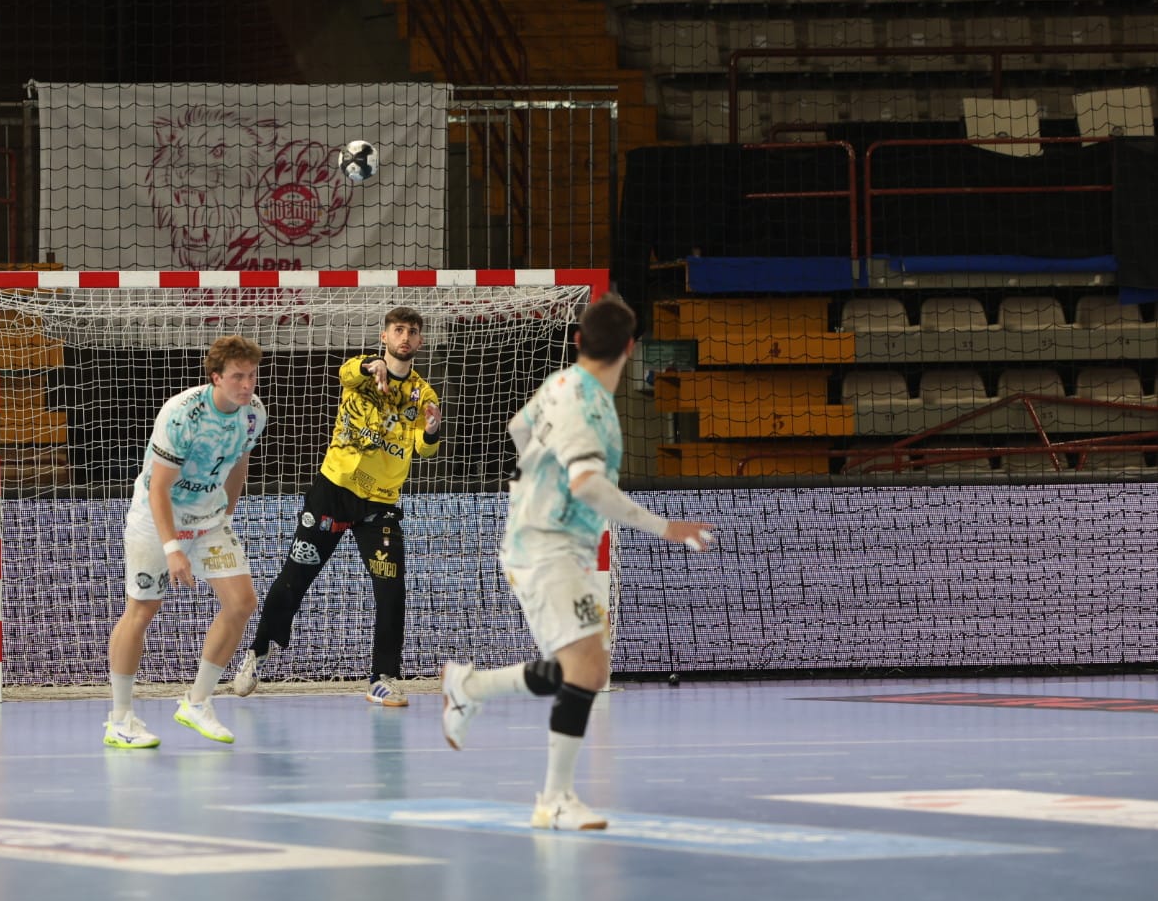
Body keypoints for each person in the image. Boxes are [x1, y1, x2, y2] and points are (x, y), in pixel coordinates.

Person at [439, 294, 715, 830]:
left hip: (553, 542)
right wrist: (665, 527)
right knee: (588, 669)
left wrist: (534, 482)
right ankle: (554, 799)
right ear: (631, 348)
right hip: (546, 546)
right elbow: (587, 483)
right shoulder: (588, 404)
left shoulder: (558, 385)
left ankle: (467, 687)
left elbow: (520, 431)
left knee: (582, 669)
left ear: (577, 341)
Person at [231, 306, 441, 707]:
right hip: (333, 490)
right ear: (384, 336)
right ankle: (258, 652)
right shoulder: (360, 371)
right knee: (295, 577)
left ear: (420, 341)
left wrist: (432, 430)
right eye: (398, 330)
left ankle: (382, 677)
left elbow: (424, 450)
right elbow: (347, 372)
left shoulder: (423, 394)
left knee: (391, 590)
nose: (406, 337)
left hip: (379, 503)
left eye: (413, 332)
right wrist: (370, 367)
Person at [103, 335, 267, 750]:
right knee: (142, 610)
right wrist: (173, 548)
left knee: (242, 602)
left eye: (251, 376)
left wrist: (225, 517)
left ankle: (196, 703)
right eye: (237, 377)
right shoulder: (183, 414)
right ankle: (119, 719)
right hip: (158, 517)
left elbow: (238, 464)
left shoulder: (253, 415)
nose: (246, 385)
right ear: (216, 377)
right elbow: (159, 488)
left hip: (208, 518)